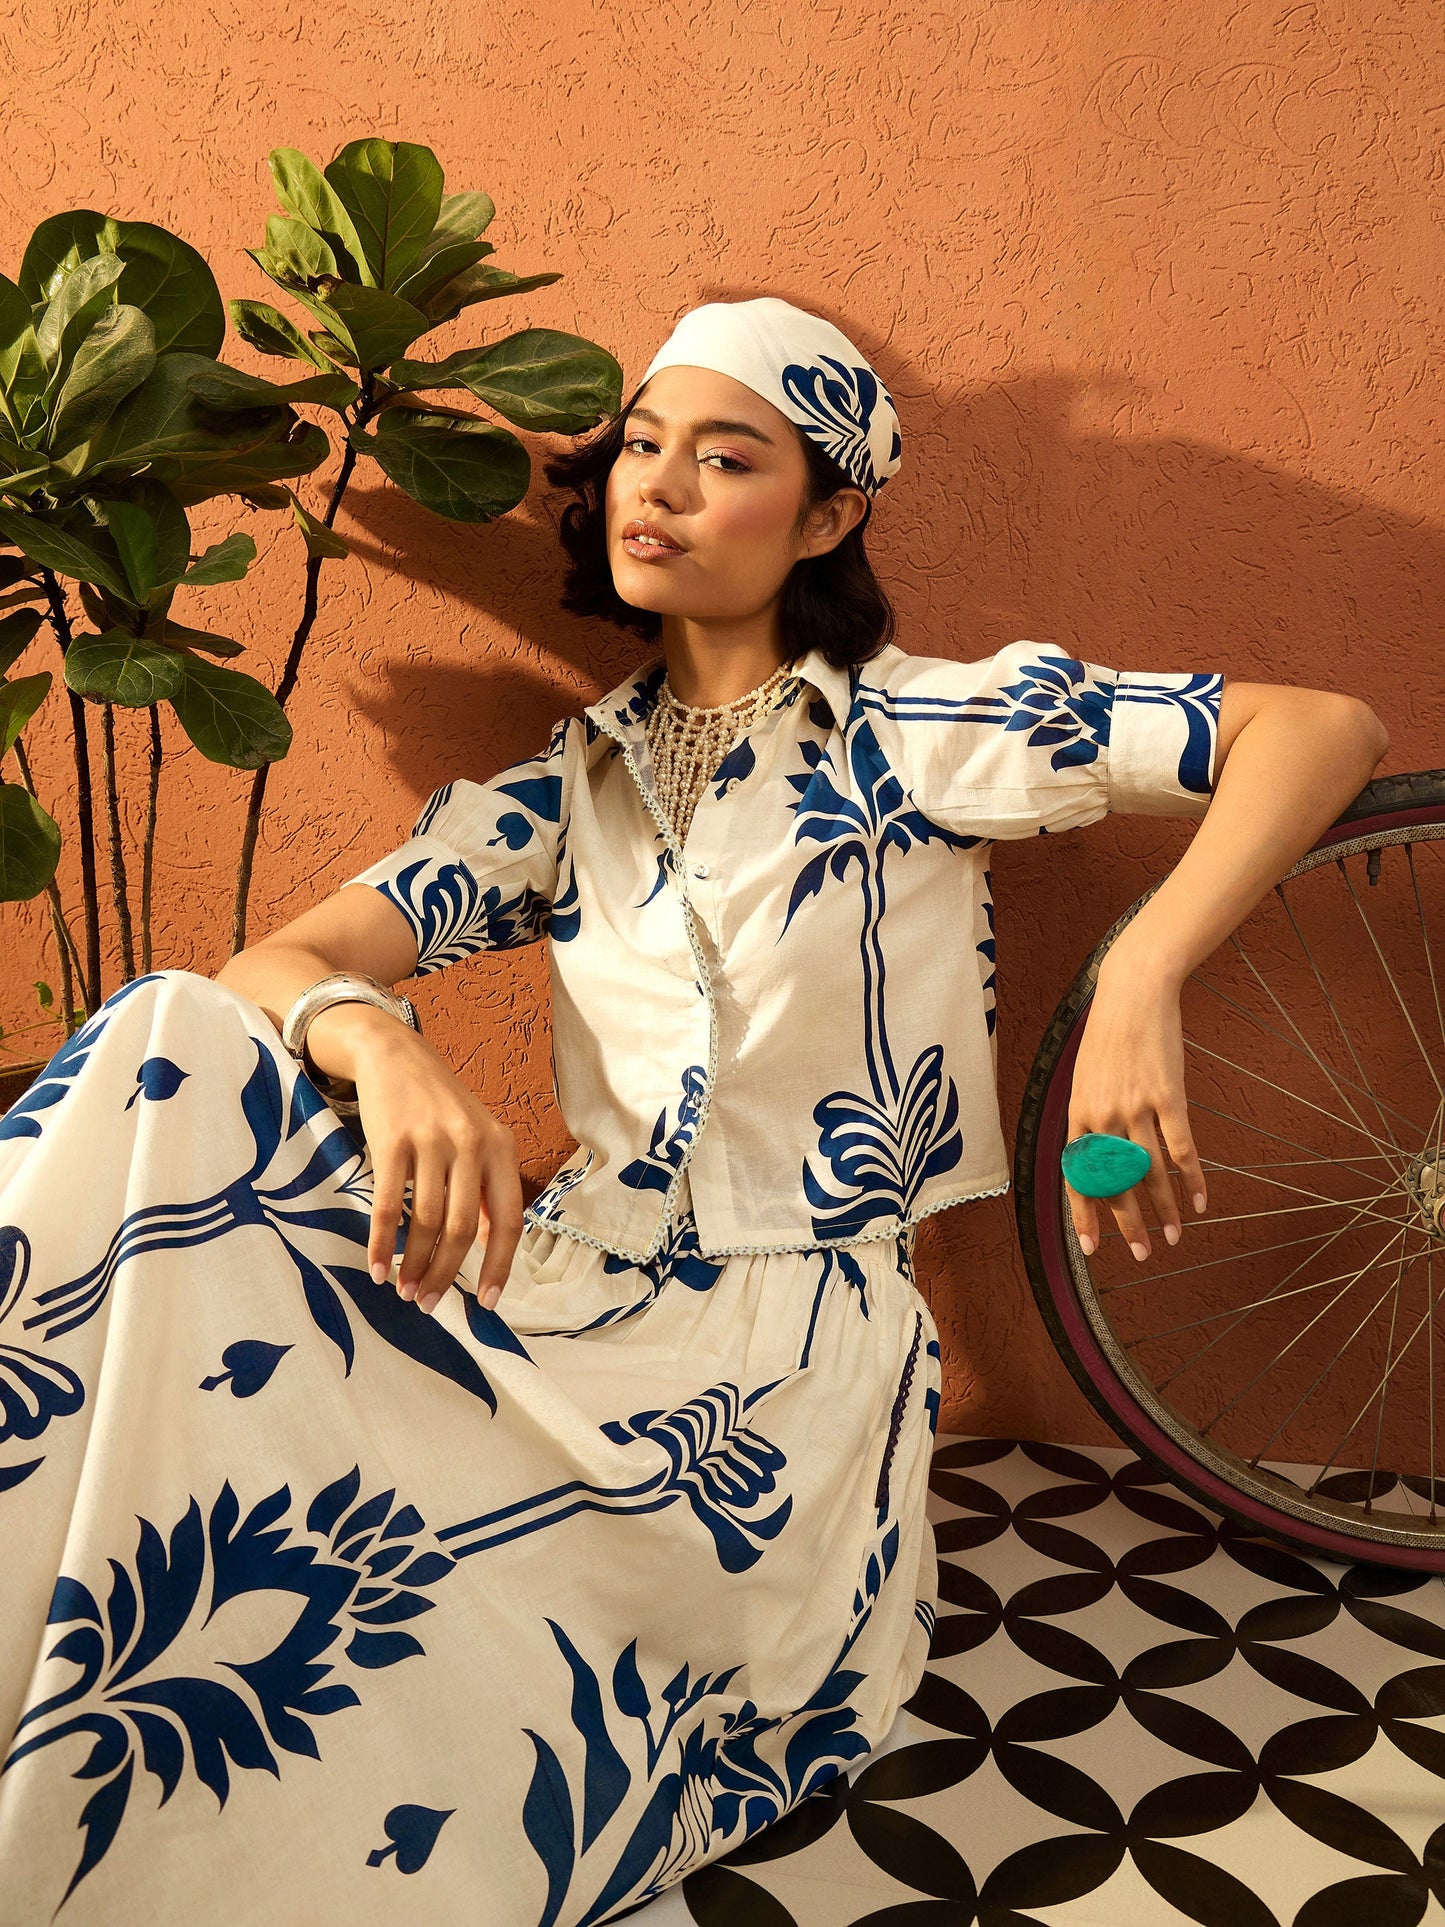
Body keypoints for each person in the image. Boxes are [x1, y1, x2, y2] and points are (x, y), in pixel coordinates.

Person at [0, 296, 1389, 1926]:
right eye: (637, 448)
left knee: (426, 1658)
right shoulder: (564, 788)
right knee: (167, 1040)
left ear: (825, 515)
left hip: (776, 1365)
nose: (652, 486)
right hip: (552, 1294)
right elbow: (275, 964)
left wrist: (1142, 974)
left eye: (722, 457)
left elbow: (1317, 727)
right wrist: (379, 1043)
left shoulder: (920, 728)